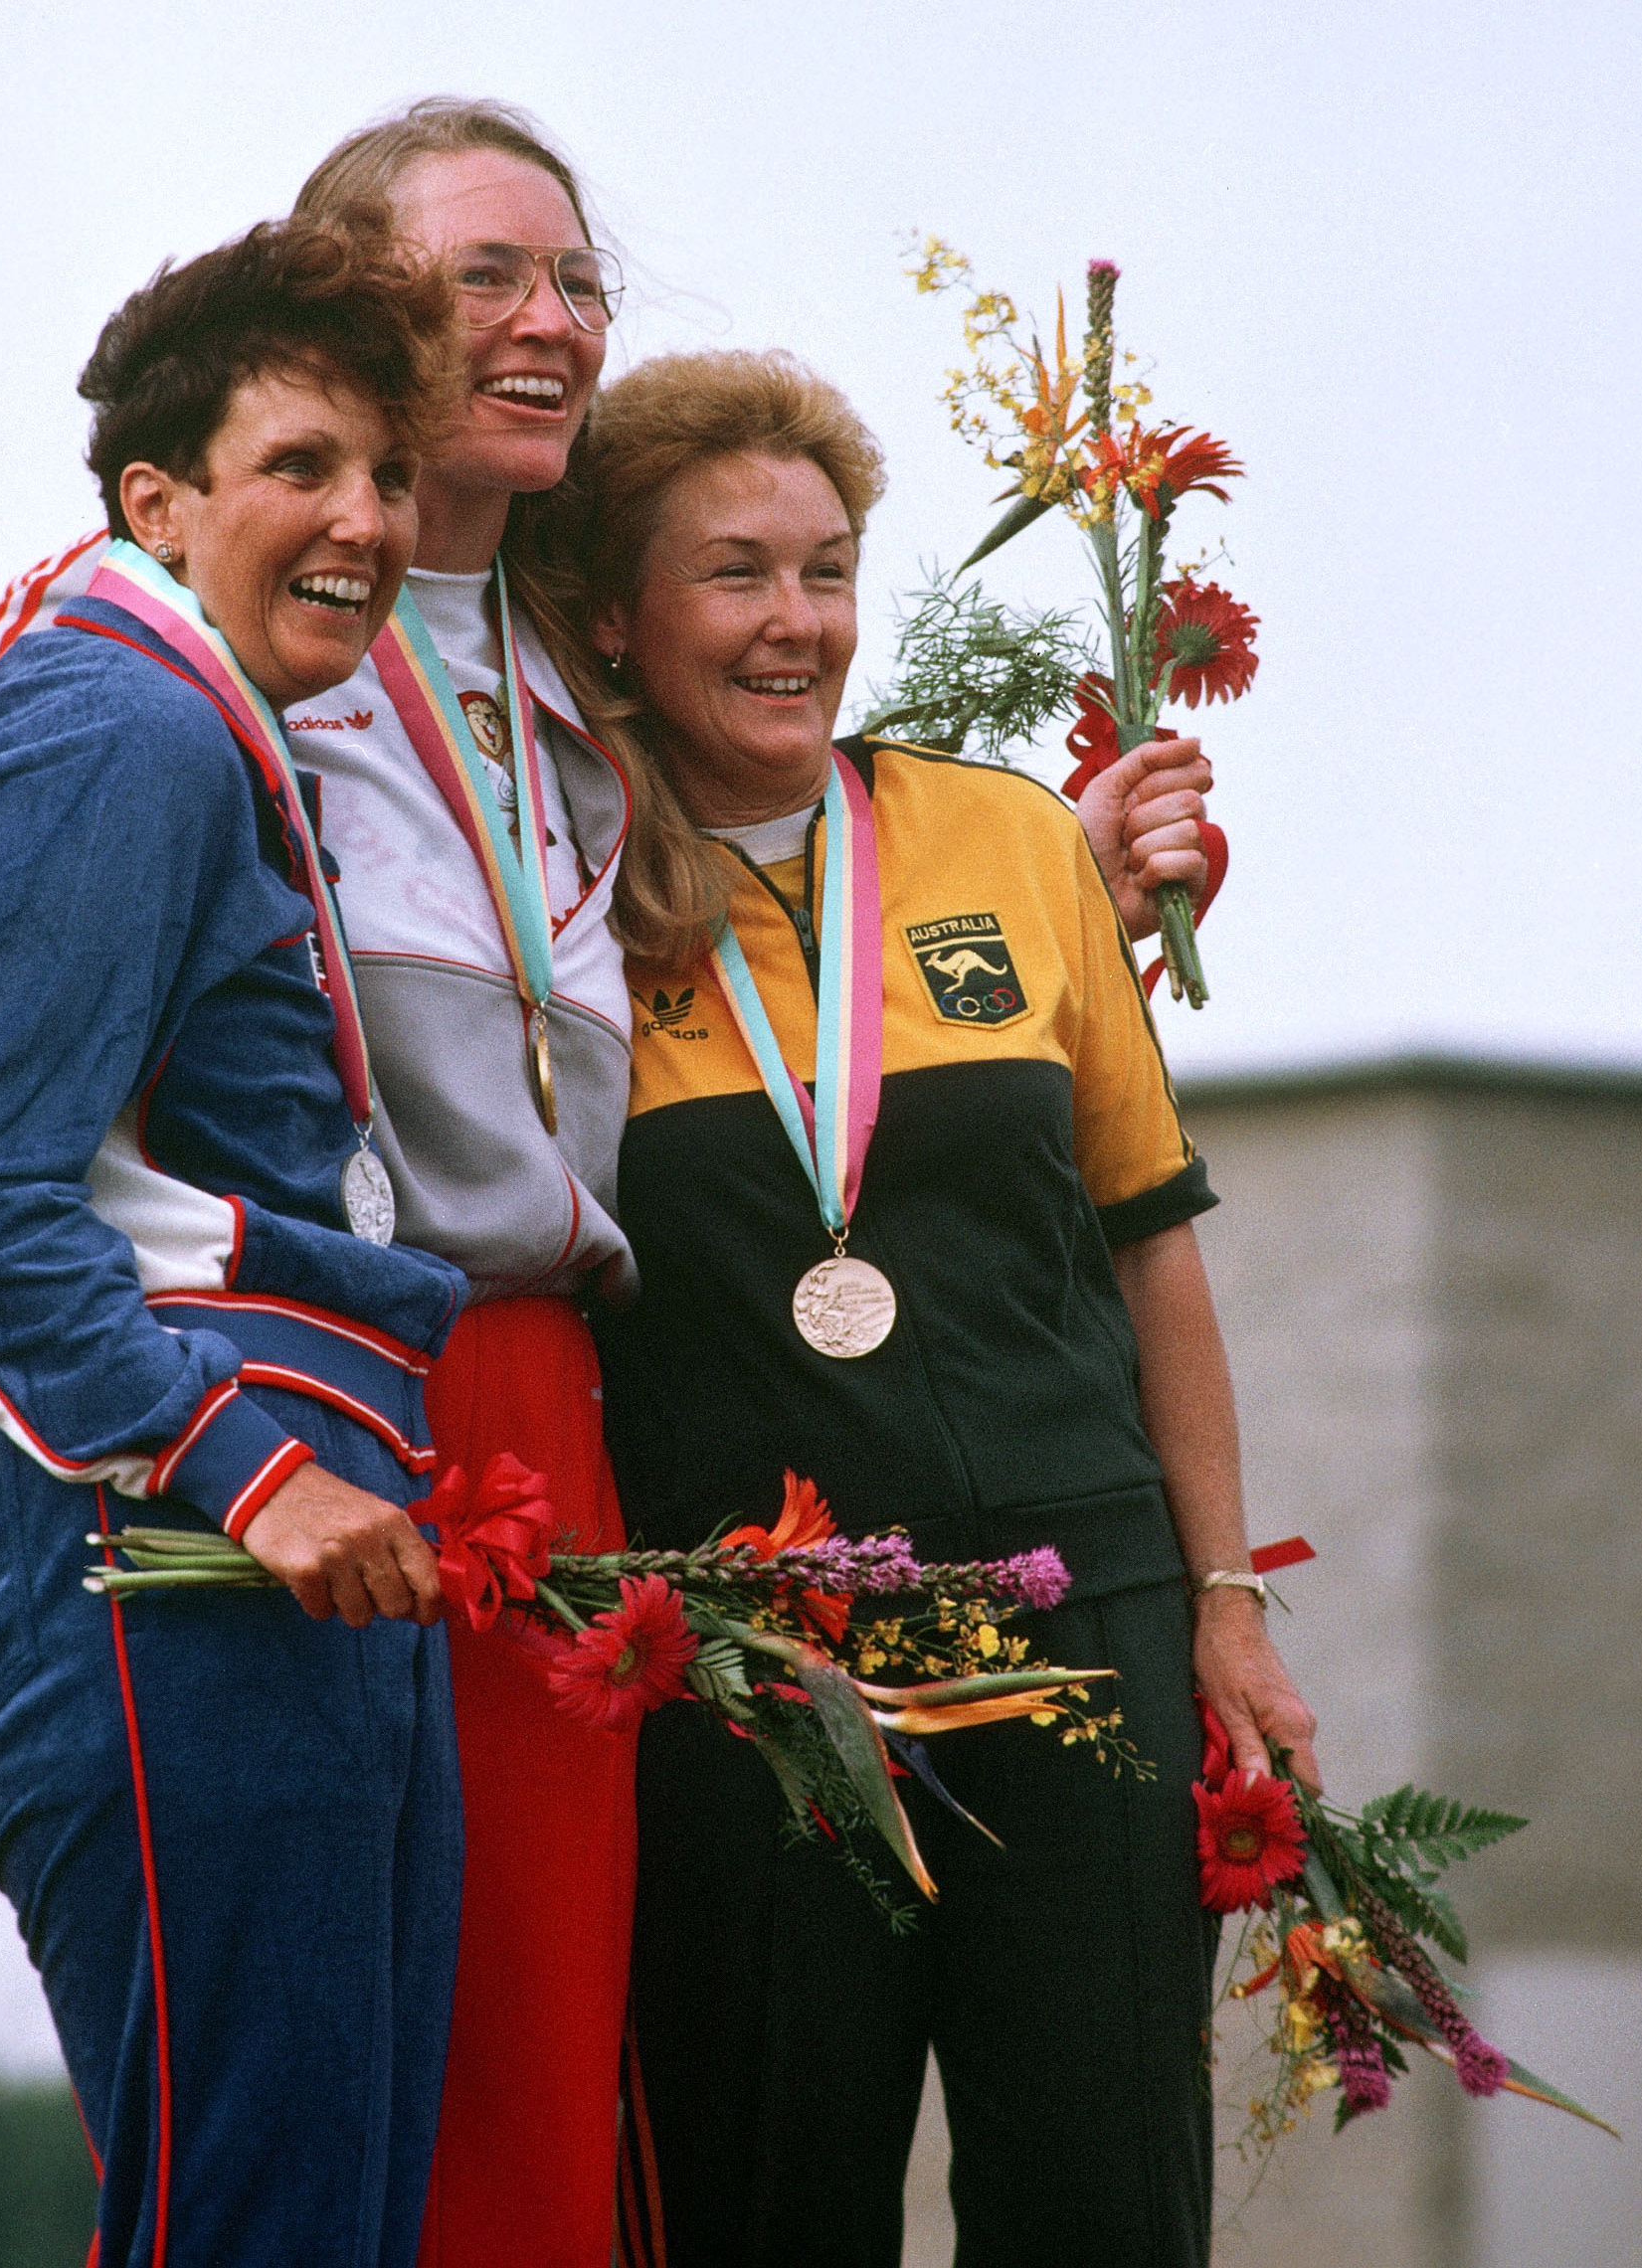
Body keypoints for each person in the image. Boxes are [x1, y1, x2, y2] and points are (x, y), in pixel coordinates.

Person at [0, 99, 1216, 2266]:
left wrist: (1069, 880)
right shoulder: (182, 613)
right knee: (308, 2085)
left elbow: (802, 869)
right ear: (351, 316)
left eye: (575, 284)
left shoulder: (567, 632)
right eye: (482, 283)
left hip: (540, 1406)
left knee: (526, 2055)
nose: (548, 322)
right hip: (264, 1386)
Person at [523, 347, 1322, 2267]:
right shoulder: (552, 896)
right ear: (617, 616)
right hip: (764, 1666)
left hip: (1084, 1622)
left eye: (826, 567)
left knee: (1103, 2201)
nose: (795, 622)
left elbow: (1149, 1244)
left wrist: (1224, 1603)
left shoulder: (1010, 842)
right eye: (735, 573)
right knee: (766, 2201)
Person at [0, 209, 475, 2266]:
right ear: (156, 498)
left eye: (385, 473)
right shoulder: (128, 729)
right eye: (302, 466)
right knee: (259, 2225)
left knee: (319, 2221)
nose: (360, 518)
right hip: (155, 1543)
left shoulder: (191, 725)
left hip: (253, 1549)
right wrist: (249, 1473)